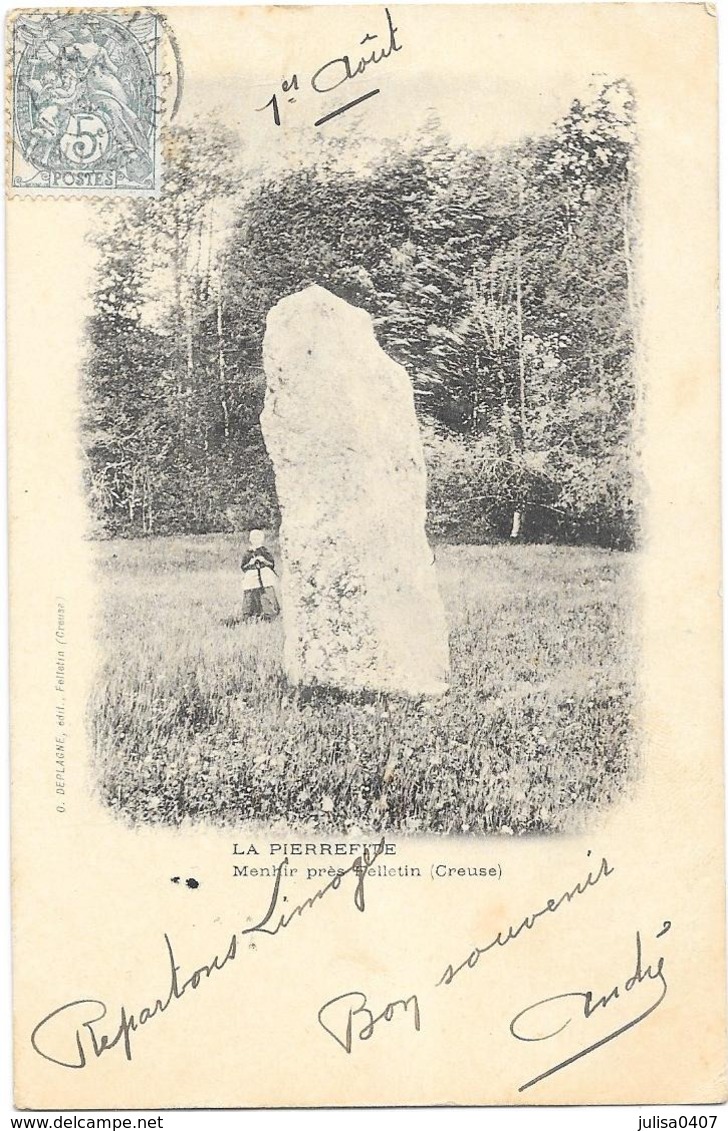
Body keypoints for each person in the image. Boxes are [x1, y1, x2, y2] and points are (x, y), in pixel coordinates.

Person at [240, 530, 280, 620]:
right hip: (251, 576)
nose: (256, 540)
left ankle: (269, 613)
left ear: (262, 539)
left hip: (264, 575)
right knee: (250, 593)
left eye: (258, 538)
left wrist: (264, 561)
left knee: (266, 592)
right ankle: (251, 613)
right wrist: (250, 563)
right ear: (250, 539)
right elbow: (243, 567)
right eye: (253, 538)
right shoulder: (248, 553)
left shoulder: (264, 551)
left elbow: (272, 564)